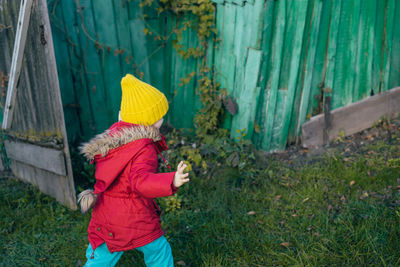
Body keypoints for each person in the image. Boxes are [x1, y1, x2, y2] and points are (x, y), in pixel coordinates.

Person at [77, 74, 189, 266]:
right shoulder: (143, 149)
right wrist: (171, 181)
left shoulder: (113, 141)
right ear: (149, 121)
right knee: (158, 250)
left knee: (103, 252)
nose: (162, 119)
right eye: (159, 116)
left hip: (105, 214)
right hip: (134, 218)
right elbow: (140, 182)